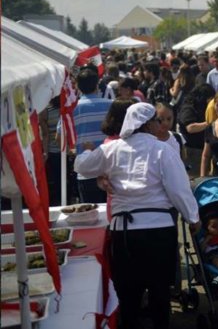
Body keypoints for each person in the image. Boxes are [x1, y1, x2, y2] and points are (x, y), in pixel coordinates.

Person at [74, 102, 200, 329]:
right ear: (148, 124)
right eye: (156, 121)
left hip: (124, 231)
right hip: (159, 229)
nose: (159, 125)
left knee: (128, 293)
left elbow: (82, 166)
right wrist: (193, 219)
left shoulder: (112, 148)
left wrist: (87, 150)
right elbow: (179, 190)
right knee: (159, 291)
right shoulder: (163, 150)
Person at [69, 67, 113, 203]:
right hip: (110, 169)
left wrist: (75, 151)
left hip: (85, 170)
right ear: (97, 84)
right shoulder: (111, 106)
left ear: (78, 86)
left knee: (90, 217)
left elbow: (61, 138)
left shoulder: (71, 109)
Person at [178, 83, 216, 177]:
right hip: (192, 151)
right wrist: (210, 123)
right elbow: (190, 128)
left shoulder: (203, 107)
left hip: (204, 148)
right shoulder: (188, 108)